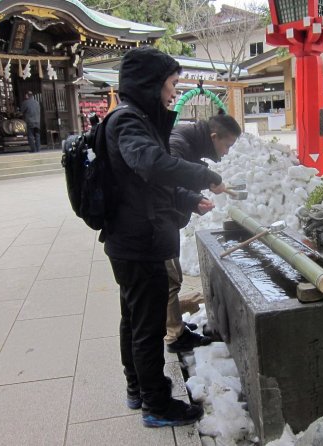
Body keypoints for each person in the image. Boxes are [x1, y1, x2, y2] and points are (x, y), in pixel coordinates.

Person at [102, 47, 226, 428]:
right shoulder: (128, 121)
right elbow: (151, 164)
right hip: (138, 242)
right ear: (150, 83)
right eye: (171, 84)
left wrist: (191, 199)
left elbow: (147, 185)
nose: (174, 93)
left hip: (132, 238)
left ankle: (138, 388)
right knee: (147, 324)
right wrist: (204, 176)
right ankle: (156, 404)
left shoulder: (135, 118)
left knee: (135, 320)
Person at [165, 113, 242, 353]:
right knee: (169, 279)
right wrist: (194, 198)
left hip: (162, 221)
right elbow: (167, 184)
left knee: (171, 276)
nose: (227, 152)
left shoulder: (188, 141)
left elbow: (183, 174)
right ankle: (174, 335)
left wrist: (200, 189)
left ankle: (172, 324)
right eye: (227, 145)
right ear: (213, 137)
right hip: (154, 223)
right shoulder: (177, 143)